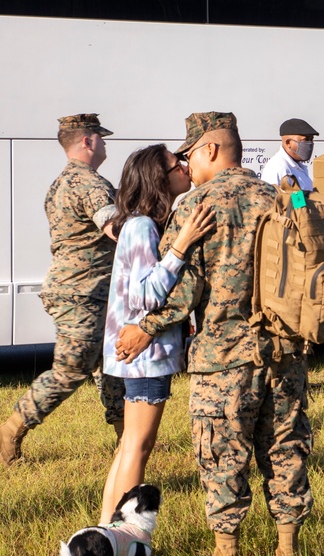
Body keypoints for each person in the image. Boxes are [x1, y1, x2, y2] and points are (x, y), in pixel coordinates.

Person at [114, 112, 313, 556]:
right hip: (284, 354)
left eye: (188, 154)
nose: (186, 164)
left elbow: (184, 292)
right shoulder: (283, 196)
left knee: (222, 456)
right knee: (286, 449)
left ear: (211, 150)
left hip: (223, 359)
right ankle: (287, 552)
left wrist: (146, 326)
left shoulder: (197, 207)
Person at [0, 114, 125, 465]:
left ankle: (129, 441)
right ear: (88, 141)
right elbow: (113, 228)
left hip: (85, 290)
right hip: (83, 291)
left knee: (109, 365)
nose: (105, 144)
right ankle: (7, 434)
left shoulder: (59, 184)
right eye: (101, 138)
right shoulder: (89, 183)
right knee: (72, 368)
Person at [96, 144, 215, 524]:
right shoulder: (143, 226)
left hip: (138, 356)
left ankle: (104, 529)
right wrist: (182, 245)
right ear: (157, 179)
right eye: (174, 164)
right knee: (138, 449)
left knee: (128, 447)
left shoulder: (137, 224)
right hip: (146, 356)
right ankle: (123, 534)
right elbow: (144, 295)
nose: (183, 166)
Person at [260, 117, 319, 190]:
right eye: (305, 140)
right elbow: (270, 199)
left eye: (311, 139)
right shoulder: (277, 167)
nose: (310, 143)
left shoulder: (298, 167)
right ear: (288, 143)